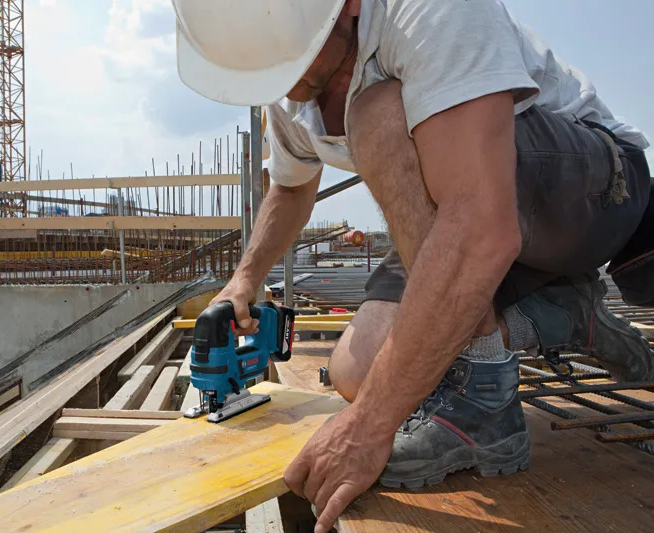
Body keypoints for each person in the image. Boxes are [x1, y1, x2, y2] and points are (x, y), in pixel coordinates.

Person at [171, 1, 653, 531]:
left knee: (377, 114)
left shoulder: (433, 10)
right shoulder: (289, 84)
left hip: (593, 194)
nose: (286, 85)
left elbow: (479, 229)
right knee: (360, 373)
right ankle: (563, 313)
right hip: (470, 210)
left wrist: (369, 427)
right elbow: (290, 188)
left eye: (293, 61)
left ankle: (487, 391)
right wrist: (243, 278)